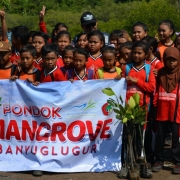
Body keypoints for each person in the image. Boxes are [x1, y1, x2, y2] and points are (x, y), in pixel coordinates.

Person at [152, 47, 180, 174]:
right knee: (160, 136)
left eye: (174, 60)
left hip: (176, 111)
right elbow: (156, 88)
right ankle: (158, 159)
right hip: (162, 110)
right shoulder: (160, 72)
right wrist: (155, 103)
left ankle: (177, 162)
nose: (171, 63)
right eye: (168, 60)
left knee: (176, 137)